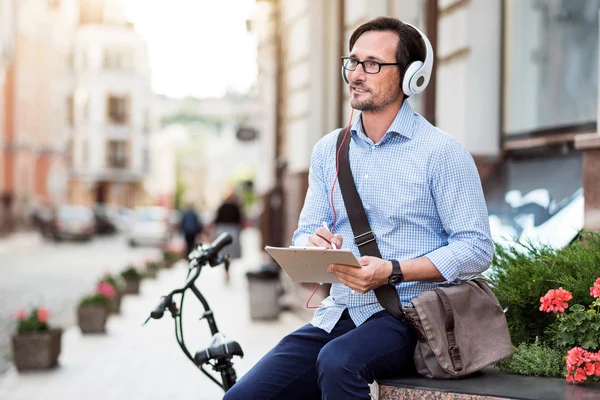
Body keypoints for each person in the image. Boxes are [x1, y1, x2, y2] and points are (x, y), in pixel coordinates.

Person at [223, 17, 494, 399]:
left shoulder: (442, 153)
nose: (356, 74)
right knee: (242, 396)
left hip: (409, 317)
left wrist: (394, 271)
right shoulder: (329, 149)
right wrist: (312, 245)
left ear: (411, 76)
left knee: (339, 362)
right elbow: (304, 231)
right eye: (353, 62)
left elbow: (476, 248)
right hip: (338, 312)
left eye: (372, 64)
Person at [213, 190, 243, 281]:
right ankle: (227, 269)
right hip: (232, 231)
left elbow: (216, 221)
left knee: (224, 252)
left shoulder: (222, 207)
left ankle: (226, 270)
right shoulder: (234, 207)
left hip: (222, 231)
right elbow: (239, 221)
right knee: (229, 254)